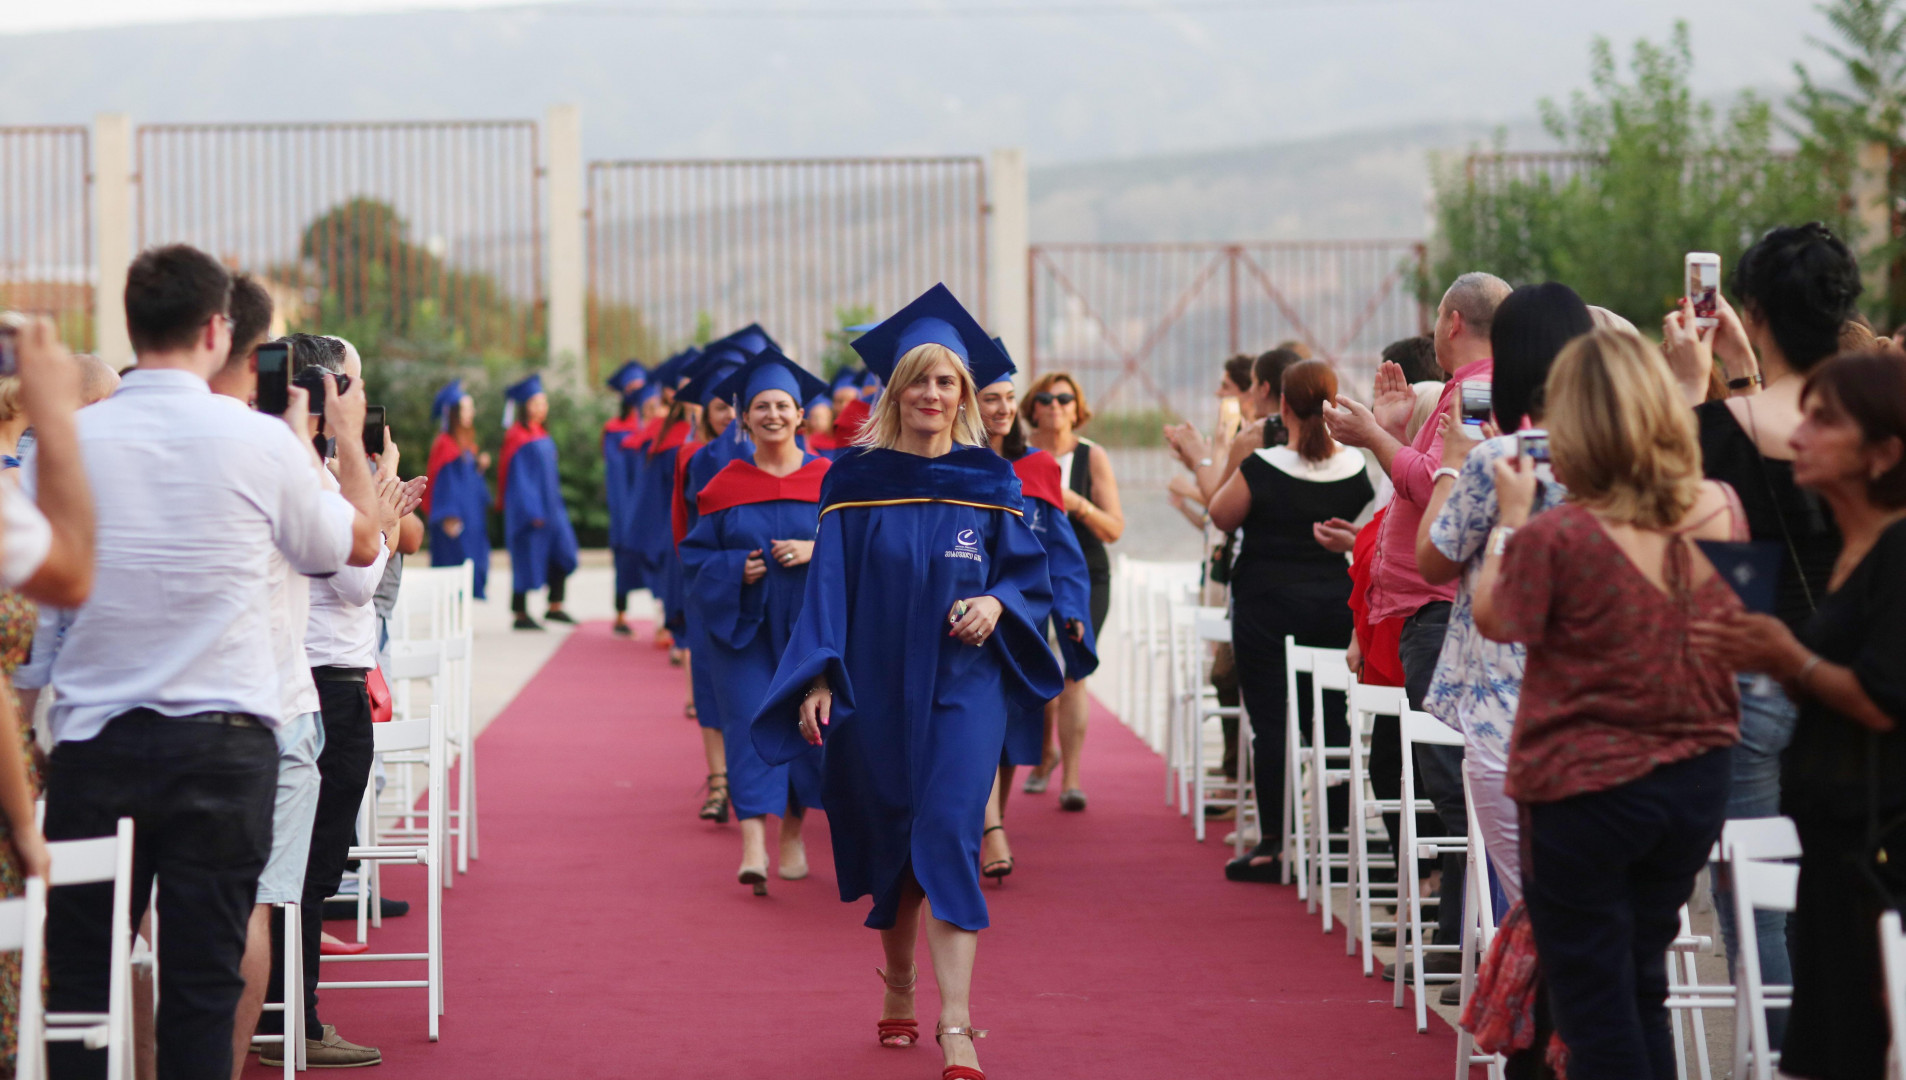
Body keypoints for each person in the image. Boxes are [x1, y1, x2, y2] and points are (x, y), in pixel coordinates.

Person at [29, 245, 382, 1080]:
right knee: (203, 980)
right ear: (218, 329)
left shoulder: (63, 443)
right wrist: (329, 439)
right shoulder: (261, 443)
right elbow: (351, 548)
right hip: (223, 748)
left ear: (131, 322)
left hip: (93, 742)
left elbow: (40, 622)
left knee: (78, 988)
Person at [750, 284, 1061, 1080]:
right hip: (876, 683)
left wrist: (997, 601)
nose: (931, 394)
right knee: (893, 834)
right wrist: (818, 677)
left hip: (966, 685)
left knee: (951, 829)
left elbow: (1031, 579)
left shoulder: (991, 482)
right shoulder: (852, 481)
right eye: (918, 379)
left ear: (964, 395)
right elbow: (829, 593)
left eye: (946, 381)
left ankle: (957, 1024)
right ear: (896, 390)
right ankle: (898, 985)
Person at [1472, 329, 1744, 1080]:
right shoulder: (1722, 508)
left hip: (1583, 790)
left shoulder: (1558, 535)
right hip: (1695, 778)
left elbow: (1497, 617)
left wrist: (1510, 516)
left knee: (1594, 1005)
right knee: (1641, 985)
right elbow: (1733, 630)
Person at [1689, 350, 1906, 1080]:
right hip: (1832, 839)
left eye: (1825, 423)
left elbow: (1884, 699)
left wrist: (1789, 657)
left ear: (1884, 453)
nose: (1800, 435)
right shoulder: (1851, 544)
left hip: (1879, 849)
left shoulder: (1899, 550)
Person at [1663, 224, 1858, 1028]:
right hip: (1859, 667)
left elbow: (1664, 526)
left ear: (1756, 310)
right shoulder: (1872, 418)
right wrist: (1744, 369)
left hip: (1751, 679)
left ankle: (1779, 1056)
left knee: (1757, 903)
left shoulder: (1719, 429)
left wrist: (1685, 391)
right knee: (1850, 885)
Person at [1323, 270, 1510, 970]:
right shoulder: (1466, 390)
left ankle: (1467, 941)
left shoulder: (1473, 390)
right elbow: (1425, 474)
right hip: (1423, 608)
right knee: (1451, 783)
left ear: (1453, 322)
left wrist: (1374, 436)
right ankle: (1457, 935)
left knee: (1456, 786)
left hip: (1437, 610)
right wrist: (1396, 432)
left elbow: (1443, 490)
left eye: (1437, 315)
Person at [260, 332, 418, 1071]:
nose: (358, 399)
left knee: (305, 866)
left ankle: (285, 1012)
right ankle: (294, 1018)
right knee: (310, 868)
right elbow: (358, 584)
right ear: (326, 391)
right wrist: (378, 514)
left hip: (322, 678)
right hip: (326, 683)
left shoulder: (303, 468)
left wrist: (380, 508)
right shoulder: (314, 473)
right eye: (351, 385)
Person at [1414, 283, 1593, 928]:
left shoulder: (1498, 460)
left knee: (1532, 914)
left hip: (1506, 710)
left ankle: (1539, 1026)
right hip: (1599, 713)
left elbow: (1433, 556)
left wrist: (1453, 464)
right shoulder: (1621, 460)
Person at [1206, 360, 1376, 882]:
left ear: (1282, 405)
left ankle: (1276, 843)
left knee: (1273, 721)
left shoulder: (1264, 466)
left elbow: (1221, 514)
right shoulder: (1355, 469)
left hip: (1265, 603)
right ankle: (1339, 842)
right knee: (1329, 717)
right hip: (1331, 602)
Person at [681, 348, 831, 892]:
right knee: (748, 724)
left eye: (783, 406)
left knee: (808, 729)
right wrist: (732, 568)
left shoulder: (828, 480)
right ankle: (752, 844)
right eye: (761, 406)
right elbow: (694, 558)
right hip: (741, 630)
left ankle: (791, 833)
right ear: (744, 417)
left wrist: (816, 551)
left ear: (800, 415)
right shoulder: (725, 484)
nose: (773, 415)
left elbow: (856, 550)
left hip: (807, 630)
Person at [974, 352, 1097, 881]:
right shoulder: (952, 465)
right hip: (962, 617)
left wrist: (1072, 611)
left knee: (1009, 726)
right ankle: (988, 828)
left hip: (1022, 615)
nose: (1003, 409)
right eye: (989, 399)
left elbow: (1060, 551)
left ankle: (990, 819)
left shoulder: (1039, 467)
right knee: (972, 718)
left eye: (1007, 398)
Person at [1017, 371, 1122, 810]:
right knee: (1038, 675)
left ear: (1077, 408)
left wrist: (1073, 501)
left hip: (1083, 575)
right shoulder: (1016, 455)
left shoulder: (1091, 456)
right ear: (1032, 407)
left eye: (1065, 397)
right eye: (1046, 397)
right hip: (1027, 575)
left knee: (1073, 673)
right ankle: (1044, 756)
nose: (1055, 405)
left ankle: (1072, 781)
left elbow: (1114, 528)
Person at [672, 334, 761, 808]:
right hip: (709, 578)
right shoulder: (692, 457)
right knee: (709, 680)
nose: (727, 414)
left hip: (768, 579)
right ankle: (719, 780)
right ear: (704, 411)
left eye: (735, 404)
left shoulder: (775, 449)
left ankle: (759, 780)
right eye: (718, 405)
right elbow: (681, 525)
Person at [499, 373, 579, 631]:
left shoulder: (540, 432)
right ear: (524, 407)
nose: (542, 408)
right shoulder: (517, 436)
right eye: (536, 403)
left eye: (544, 403)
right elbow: (520, 479)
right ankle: (520, 613)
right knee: (525, 558)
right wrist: (531, 509)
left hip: (551, 509)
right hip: (530, 512)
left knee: (563, 553)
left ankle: (555, 605)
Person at [423, 379, 492, 600]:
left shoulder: (464, 444)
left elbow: (467, 482)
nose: (472, 412)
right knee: (454, 568)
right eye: (467, 408)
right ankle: (451, 621)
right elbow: (444, 484)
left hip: (471, 518)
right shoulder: (445, 444)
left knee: (472, 566)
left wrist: (478, 467)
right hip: (454, 519)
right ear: (454, 413)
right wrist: (447, 515)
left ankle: (462, 621)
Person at [602, 361, 649, 634]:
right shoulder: (615, 430)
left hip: (650, 505)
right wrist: (626, 514)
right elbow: (616, 478)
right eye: (631, 388)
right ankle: (620, 614)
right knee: (624, 560)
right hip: (627, 506)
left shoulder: (655, 426)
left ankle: (664, 622)